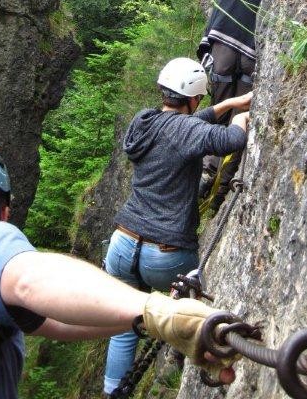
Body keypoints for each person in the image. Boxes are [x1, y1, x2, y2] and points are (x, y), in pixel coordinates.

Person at [0, 142, 238, 398]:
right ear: (5, 212)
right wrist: (159, 311)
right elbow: (32, 282)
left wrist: (154, 319)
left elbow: (58, 321)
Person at [103, 58, 251, 396]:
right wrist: (241, 119)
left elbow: (183, 127)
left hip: (123, 244)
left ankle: (113, 393)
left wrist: (227, 104)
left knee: (124, 326)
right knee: (193, 314)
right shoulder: (186, 130)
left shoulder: (143, 122)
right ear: (195, 97)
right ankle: (211, 369)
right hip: (166, 254)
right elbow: (228, 141)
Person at [197, 0, 273, 209]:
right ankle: (221, 193)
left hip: (224, 46)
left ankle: (206, 171)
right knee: (240, 117)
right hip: (252, 53)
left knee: (218, 108)